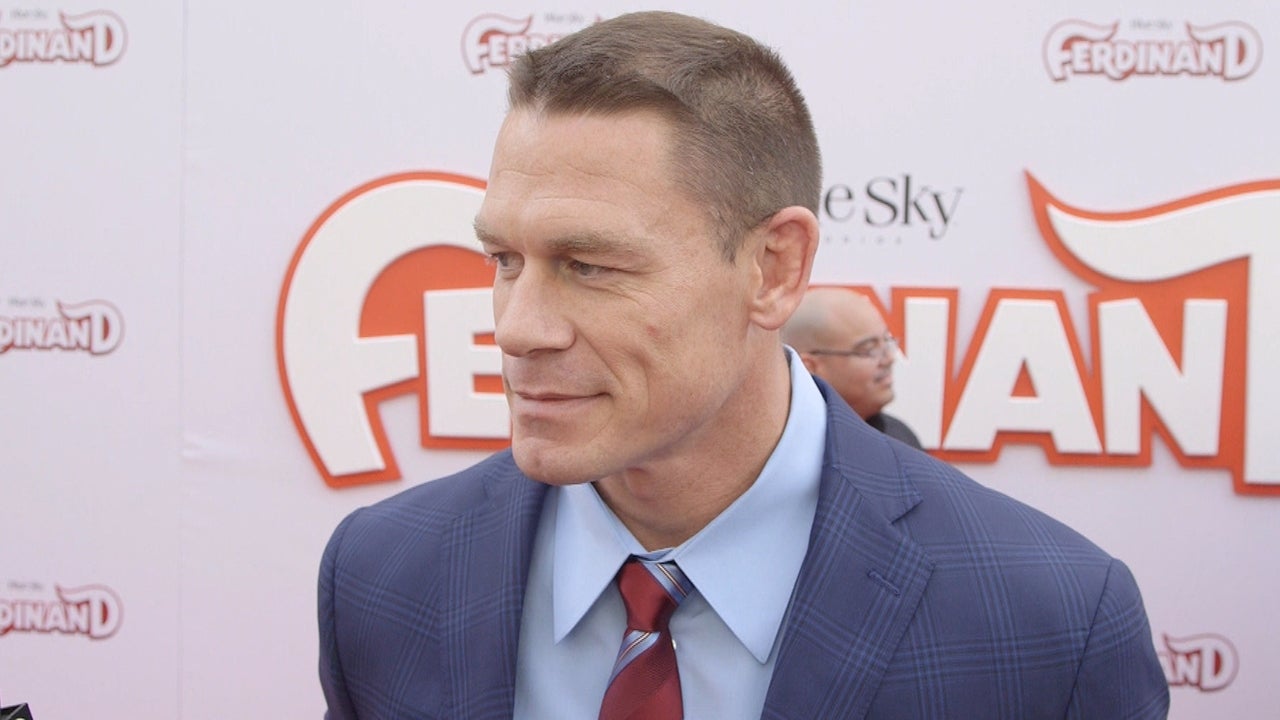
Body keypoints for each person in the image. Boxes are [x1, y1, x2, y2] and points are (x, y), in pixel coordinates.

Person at [318, 11, 1169, 719]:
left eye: (590, 265)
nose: (519, 327)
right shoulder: (382, 575)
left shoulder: (1050, 624)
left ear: (773, 270)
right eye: (504, 259)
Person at [782, 287, 923, 448]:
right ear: (809, 367)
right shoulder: (785, 448)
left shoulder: (899, 437)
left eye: (887, 341)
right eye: (869, 350)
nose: (889, 359)